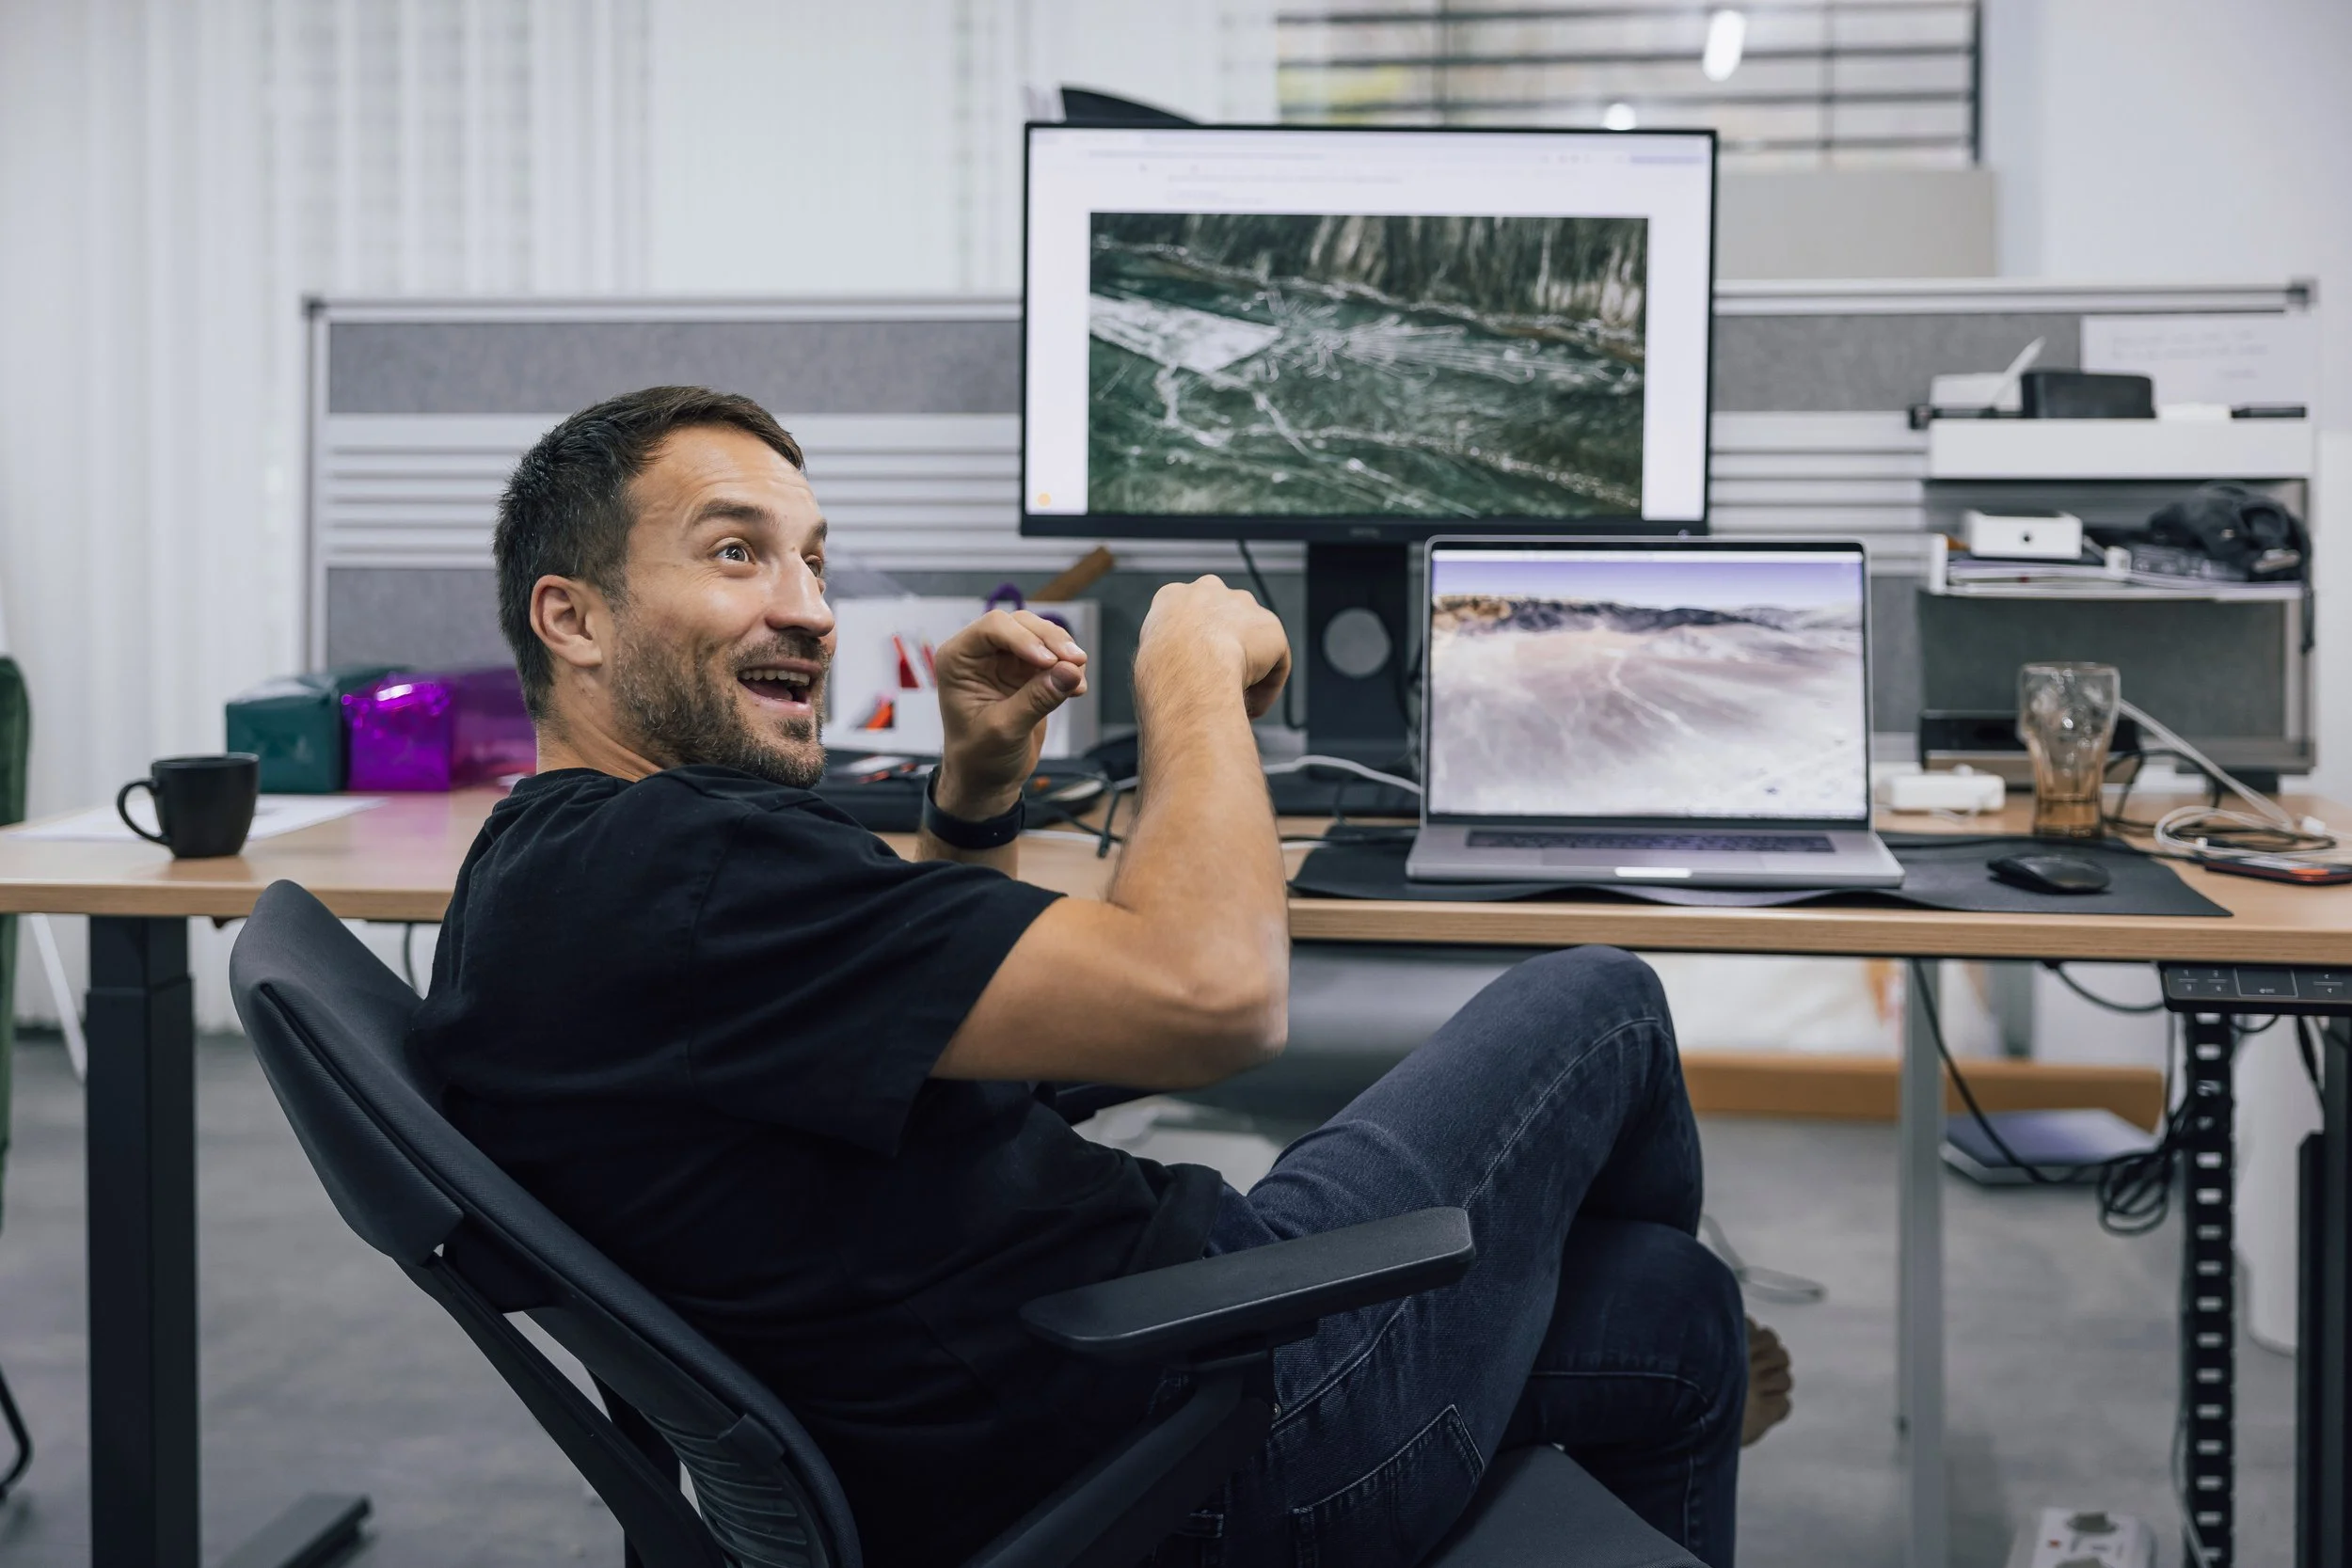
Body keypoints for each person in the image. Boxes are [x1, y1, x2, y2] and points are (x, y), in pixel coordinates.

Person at [408, 385, 1791, 1568]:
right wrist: (1186, 668)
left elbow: (945, 1041)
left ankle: (1593, 1352)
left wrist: (979, 791)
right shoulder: (682, 869)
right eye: (736, 554)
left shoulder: (570, 876)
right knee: (1599, 997)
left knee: (1679, 1317)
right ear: (571, 619)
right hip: (1201, 1427)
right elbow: (1213, 992)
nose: (810, 609)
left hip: (1064, 1420)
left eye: (816, 562)